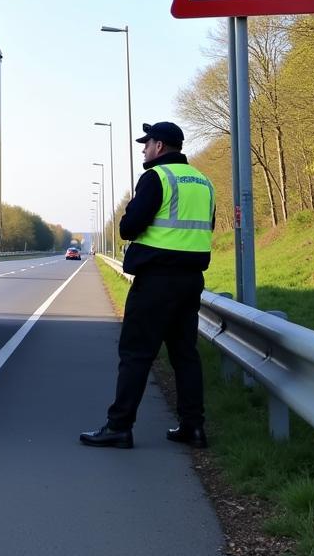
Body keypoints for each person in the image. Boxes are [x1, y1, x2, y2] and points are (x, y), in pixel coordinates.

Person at [79, 121, 215, 450]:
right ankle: (193, 427)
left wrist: (133, 215)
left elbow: (128, 227)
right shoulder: (204, 181)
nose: (143, 149)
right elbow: (207, 226)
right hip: (191, 280)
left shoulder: (156, 178)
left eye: (147, 143)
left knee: (136, 354)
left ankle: (119, 427)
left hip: (156, 281)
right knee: (185, 355)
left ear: (160, 146)